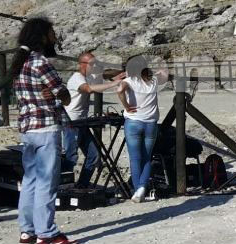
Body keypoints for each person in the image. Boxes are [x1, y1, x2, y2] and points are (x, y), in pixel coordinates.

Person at [11, 17, 78, 244]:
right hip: (46, 127)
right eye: (52, 33)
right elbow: (63, 95)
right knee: (47, 183)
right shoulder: (40, 62)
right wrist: (58, 95)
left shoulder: (20, 64)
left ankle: (27, 230)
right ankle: (46, 233)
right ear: (42, 36)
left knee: (30, 180)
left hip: (28, 129)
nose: (55, 37)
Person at [63, 51, 125, 187]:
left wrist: (120, 74)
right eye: (92, 64)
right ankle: (63, 186)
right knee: (70, 157)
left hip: (81, 122)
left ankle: (82, 185)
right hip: (72, 123)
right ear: (82, 64)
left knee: (94, 155)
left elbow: (103, 76)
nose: (95, 66)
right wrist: (114, 84)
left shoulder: (88, 76)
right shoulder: (77, 78)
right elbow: (88, 89)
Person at [118, 55, 169, 202]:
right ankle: (142, 187)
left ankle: (137, 190)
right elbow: (164, 73)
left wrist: (126, 106)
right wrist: (159, 69)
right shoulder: (153, 81)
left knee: (135, 159)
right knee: (147, 157)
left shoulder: (129, 81)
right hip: (150, 123)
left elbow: (120, 90)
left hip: (133, 121)